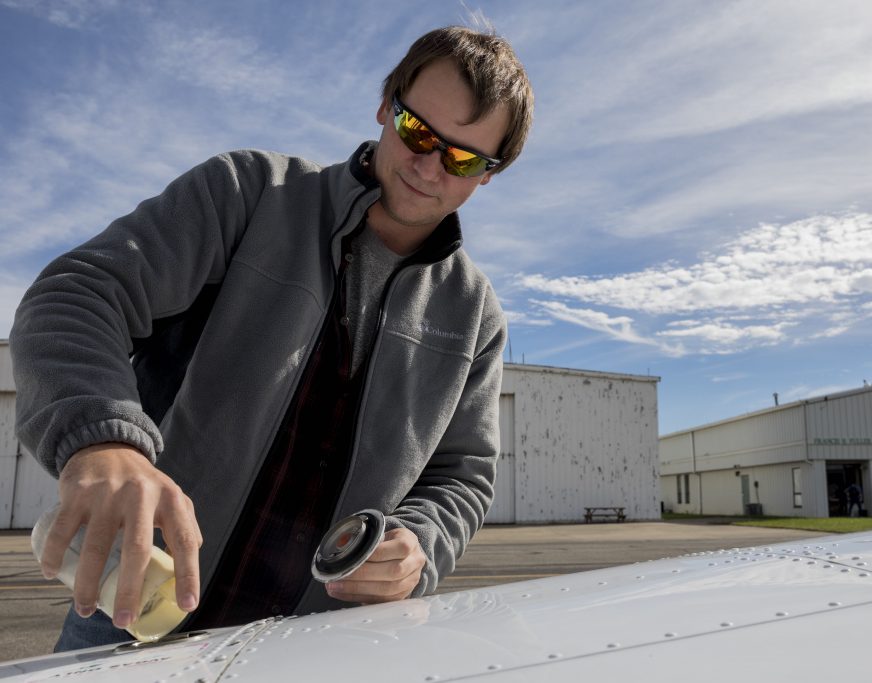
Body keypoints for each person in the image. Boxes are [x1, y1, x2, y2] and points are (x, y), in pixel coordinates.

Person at [10, 25, 533, 651]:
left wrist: (419, 544)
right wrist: (104, 443)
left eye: (464, 158)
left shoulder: (476, 314)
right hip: (135, 608)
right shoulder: (249, 192)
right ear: (386, 103)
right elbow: (78, 294)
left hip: (320, 647)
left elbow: (461, 474)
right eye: (418, 131)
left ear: (490, 175)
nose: (429, 166)